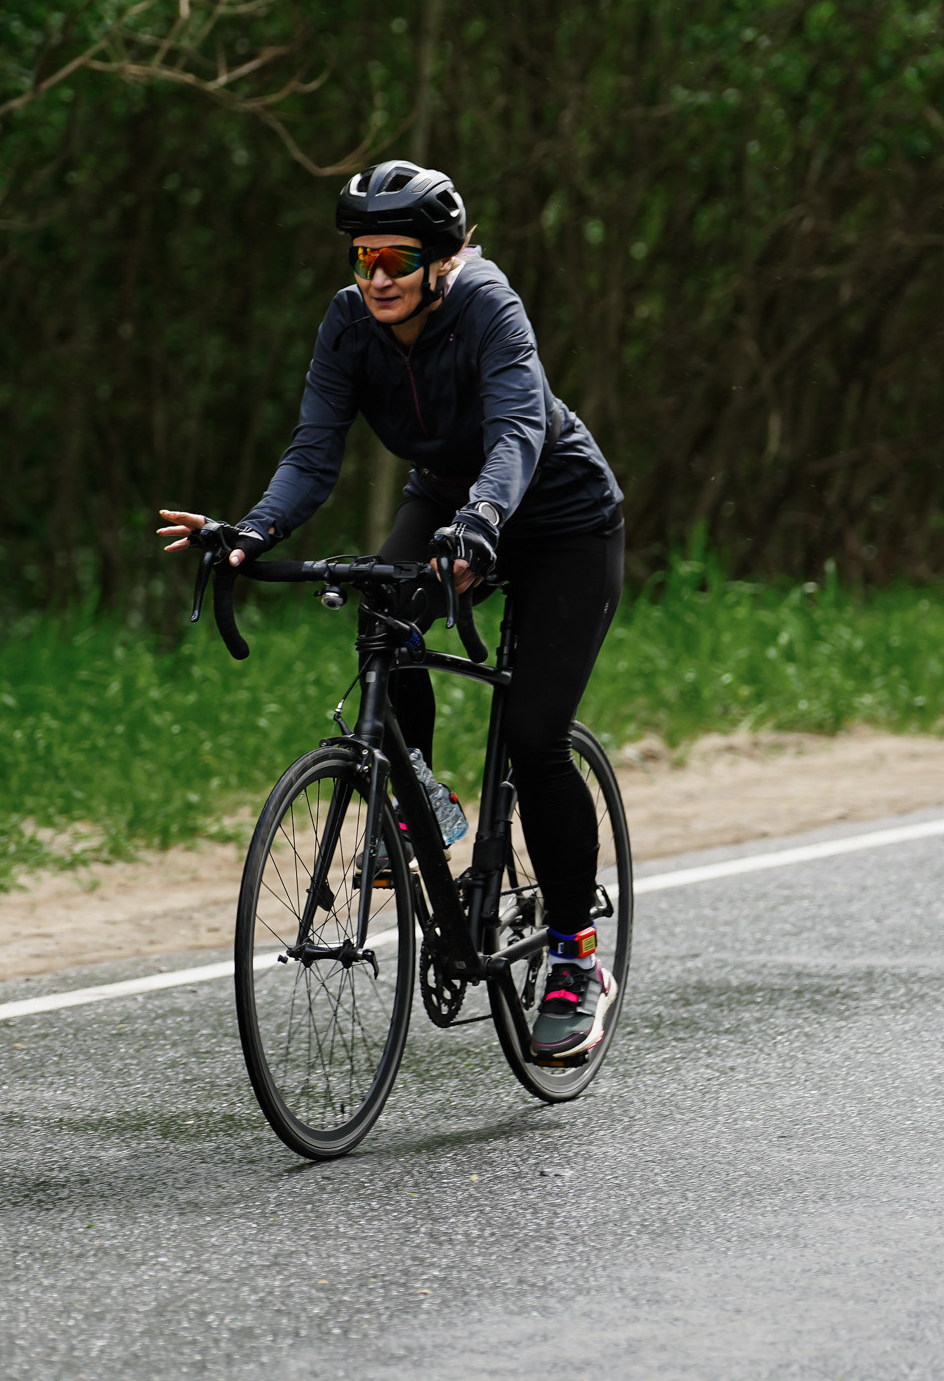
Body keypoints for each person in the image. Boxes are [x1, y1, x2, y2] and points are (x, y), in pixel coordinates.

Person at [157, 161, 626, 1062]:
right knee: (385, 610)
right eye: (365, 255)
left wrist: (484, 520)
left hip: (558, 516)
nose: (376, 276)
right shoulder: (349, 326)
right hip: (451, 501)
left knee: (534, 738)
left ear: (442, 260)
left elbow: (518, 431)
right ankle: (424, 797)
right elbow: (313, 453)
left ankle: (574, 955)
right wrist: (252, 531)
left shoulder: (490, 308)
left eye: (397, 259)